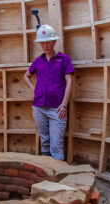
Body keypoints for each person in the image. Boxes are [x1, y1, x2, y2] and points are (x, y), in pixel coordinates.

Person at [24, 24, 74, 160]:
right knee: (44, 141)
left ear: (54, 41)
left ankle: (57, 177)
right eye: (43, 43)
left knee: (56, 144)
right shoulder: (38, 61)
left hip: (57, 108)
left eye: (48, 42)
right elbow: (26, 76)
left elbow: (69, 81)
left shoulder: (64, 59)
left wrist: (64, 104)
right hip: (38, 107)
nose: (45, 46)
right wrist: (34, 90)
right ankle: (47, 172)